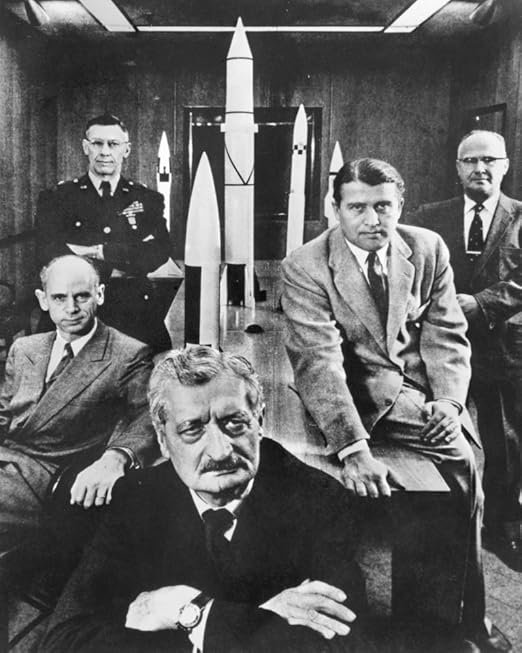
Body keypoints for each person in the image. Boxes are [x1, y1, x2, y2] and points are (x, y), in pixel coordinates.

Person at [281, 158, 511, 652]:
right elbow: (318, 363)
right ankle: (464, 622)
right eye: (358, 208)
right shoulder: (305, 265)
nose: (372, 220)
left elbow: (447, 334)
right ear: (335, 210)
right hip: (357, 398)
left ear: (400, 206)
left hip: (424, 392)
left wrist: (449, 402)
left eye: (383, 206)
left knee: (465, 469)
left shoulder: (427, 248)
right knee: (461, 464)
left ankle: (450, 619)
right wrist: (353, 449)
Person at [42, 346, 375, 653]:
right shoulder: (138, 498)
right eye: (192, 429)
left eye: (235, 423)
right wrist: (260, 621)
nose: (220, 450)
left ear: (259, 422)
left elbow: (343, 645)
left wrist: (185, 610)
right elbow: (64, 640)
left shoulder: (319, 499)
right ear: (162, 440)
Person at [408, 130, 522, 572]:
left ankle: (503, 524)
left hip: (501, 346)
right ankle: (436, 522)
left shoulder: (520, 216)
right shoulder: (429, 217)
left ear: (505, 165)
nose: (480, 168)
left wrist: (483, 303)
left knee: (504, 440)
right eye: (470, 161)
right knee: (434, 429)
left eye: (489, 160)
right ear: (457, 168)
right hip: (437, 345)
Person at [0, 255, 157, 567]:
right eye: (59, 298)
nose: (71, 308)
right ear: (43, 300)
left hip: (53, 476)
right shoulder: (26, 348)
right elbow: (4, 411)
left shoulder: (127, 354)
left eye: (82, 296)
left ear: (99, 294)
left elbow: (150, 416)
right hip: (8, 461)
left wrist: (115, 458)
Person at [34, 113, 173, 352]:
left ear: (126, 150)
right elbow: (47, 251)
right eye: (97, 143)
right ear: (85, 147)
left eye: (113, 144)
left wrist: (98, 251)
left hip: (133, 309)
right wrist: (121, 261)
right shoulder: (58, 197)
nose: (105, 152)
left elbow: (158, 252)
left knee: (153, 362)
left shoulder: (147, 199)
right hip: (76, 307)